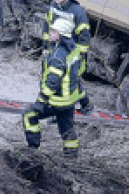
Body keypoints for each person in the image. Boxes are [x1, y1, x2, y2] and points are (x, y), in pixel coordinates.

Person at [22, 18, 83, 158]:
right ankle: (72, 159)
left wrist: (40, 101)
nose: (50, 33)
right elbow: (76, 76)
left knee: (28, 115)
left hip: (57, 101)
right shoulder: (73, 50)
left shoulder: (57, 56)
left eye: (54, 31)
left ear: (61, 35)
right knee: (67, 130)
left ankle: (33, 152)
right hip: (69, 101)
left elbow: (52, 83)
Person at [42, 0, 93, 114]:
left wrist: (80, 55)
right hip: (57, 47)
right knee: (55, 78)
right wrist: (46, 47)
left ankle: (86, 106)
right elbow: (47, 26)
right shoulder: (53, 7)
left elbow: (84, 35)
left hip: (72, 50)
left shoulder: (77, 11)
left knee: (73, 80)